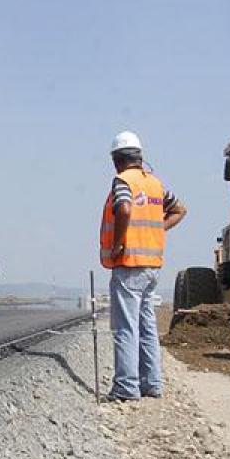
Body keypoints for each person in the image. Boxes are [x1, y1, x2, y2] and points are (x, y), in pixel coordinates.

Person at [100, 130, 187, 401]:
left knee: (126, 326)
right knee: (147, 325)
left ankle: (126, 387)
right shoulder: (155, 184)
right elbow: (180, 210)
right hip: (152, 265)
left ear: (116, 160)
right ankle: (152, 384)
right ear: (140, 156)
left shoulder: (123, 180)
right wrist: (158, 230)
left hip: (129, 264)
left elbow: (124, 209)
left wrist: (118, 243)